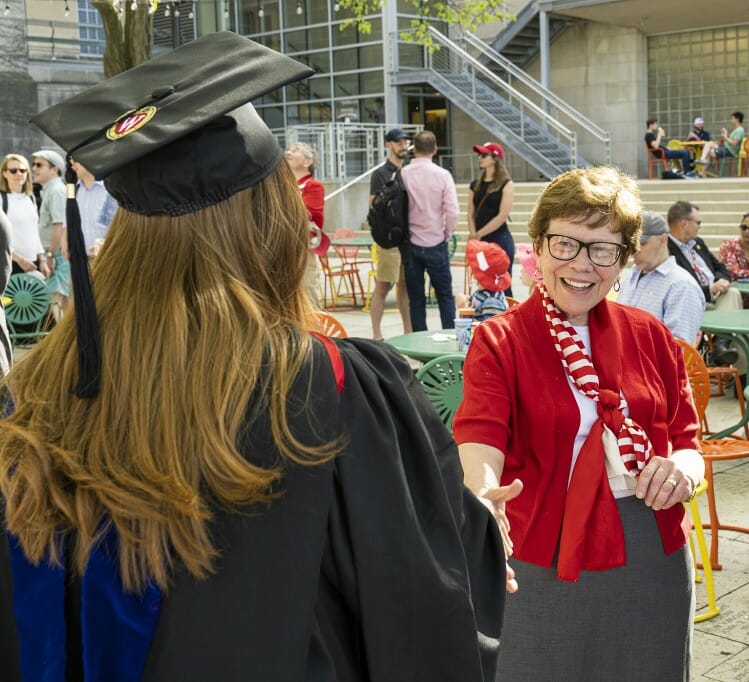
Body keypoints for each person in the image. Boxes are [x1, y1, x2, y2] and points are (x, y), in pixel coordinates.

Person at [1, 32, 504, 682]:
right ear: (272, 221)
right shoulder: (337, 386)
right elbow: (429, 599)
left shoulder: (36, 392)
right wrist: (482, 519)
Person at [453, 166, 705, 682]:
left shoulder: (651, 336)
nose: (581, 265)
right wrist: (482, 496)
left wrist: (683, 470)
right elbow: (480, 437)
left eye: (602, 250)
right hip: (537, 550)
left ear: (624, 260)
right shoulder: (500, 341)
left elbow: (687, 439)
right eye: (565, 244)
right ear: (539, 247)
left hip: (648, 547)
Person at [665, 201, 740, 365]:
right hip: (693, 304)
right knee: (738, 323)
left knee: (733, 302)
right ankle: (723, 347)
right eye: (697, 222)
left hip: (717, 299)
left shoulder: (697, 243)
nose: (700, 226)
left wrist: (722, 280)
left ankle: (722, 347)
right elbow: (676, 286)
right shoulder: (666, 249)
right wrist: (710, 289)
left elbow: (720, 267)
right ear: (684, 223)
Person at [400, 130, 459, 331]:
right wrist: (447, 232)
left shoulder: (403, 173)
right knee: (444, 295)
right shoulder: (443, 175)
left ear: (414, 149)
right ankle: (451, 337)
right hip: (436, 241)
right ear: (435, 149)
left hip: (411, 242)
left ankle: (419, 342)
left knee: (416, 299)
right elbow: (452, 211)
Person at [618, 211, 705, 345]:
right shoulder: (630, 276)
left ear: (663, 239)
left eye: (642, 243)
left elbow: (678, 350)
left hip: (650, 364)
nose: (633, 250)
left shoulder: (682, 285)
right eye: (630, 244)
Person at [367, 128, 412, 339]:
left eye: (405, 142)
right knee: (383, 285)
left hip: (408, 238)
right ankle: (377, 334)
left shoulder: (410, 170)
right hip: (389, 240)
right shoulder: (381, 174)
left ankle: (408, 331)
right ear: (388, 145)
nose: (403, 146)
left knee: (405, 287)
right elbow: (373, 207)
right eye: (398, 142)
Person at [284, 142, 330, 306]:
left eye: (295, 150)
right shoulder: (284, 185)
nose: (288, 152)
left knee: (308, 302)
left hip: (302, 250)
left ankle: (315, 332)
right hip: (283, 249)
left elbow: (313, 216)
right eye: (289, 149)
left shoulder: (313, 186)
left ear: (307, 162)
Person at [467, 141, 515, 296]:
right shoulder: (475, 184)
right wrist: (474, 233)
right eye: (479, 155)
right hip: (480, 242)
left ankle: (508, 318)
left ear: (494, 158)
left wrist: (479, 234)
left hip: (499, 239)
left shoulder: (506, 184)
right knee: (483, 282)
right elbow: (470, 212)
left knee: (502, 284)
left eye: (484, 155)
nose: (480, 158)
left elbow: (502, 216)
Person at [0, 153, 49, 278]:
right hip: (8, 264)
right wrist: (19, 259)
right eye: (13, 170)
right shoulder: (1, 199)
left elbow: (34, 232)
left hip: (32, 264)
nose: (18, 174)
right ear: (4, 173)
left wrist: (42, 259)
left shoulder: (31, 198)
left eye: (22, 170)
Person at [32, 149, 70, 308]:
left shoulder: (56, 191)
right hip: (55, 255)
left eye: (39, 165)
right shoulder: (51, 190)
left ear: (55, 170)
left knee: (59, 304)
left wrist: (50, 256)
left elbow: (59, 226)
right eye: (33, 164)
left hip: (58, 256)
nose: (34, 168)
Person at [69, 156, 118, 258]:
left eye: (75, 159)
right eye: (70, 159)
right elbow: (68, 220)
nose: (71, 163)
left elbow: (118, 226)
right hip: (81, 258)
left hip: (107, 257)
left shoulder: (110, 189)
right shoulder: (73, 189)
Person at [455, 240, 510, 322]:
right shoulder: (482, 293)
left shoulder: (492, 301)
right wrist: (465, 301)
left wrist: (464, 311)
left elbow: (488, 331)